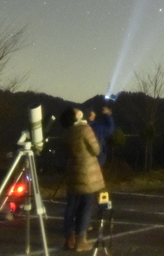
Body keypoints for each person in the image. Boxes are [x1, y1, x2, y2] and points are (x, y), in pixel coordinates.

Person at [59, 107, 105, 252]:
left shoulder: (67, 133)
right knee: (86, 206)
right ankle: (80, 241)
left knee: (71, 206)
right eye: (76, 110)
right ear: (75, 116)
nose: (79, 110)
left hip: (73, 172)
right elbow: (96, 150)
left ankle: (68, 239)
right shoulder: (85, 129)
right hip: (87, 174)